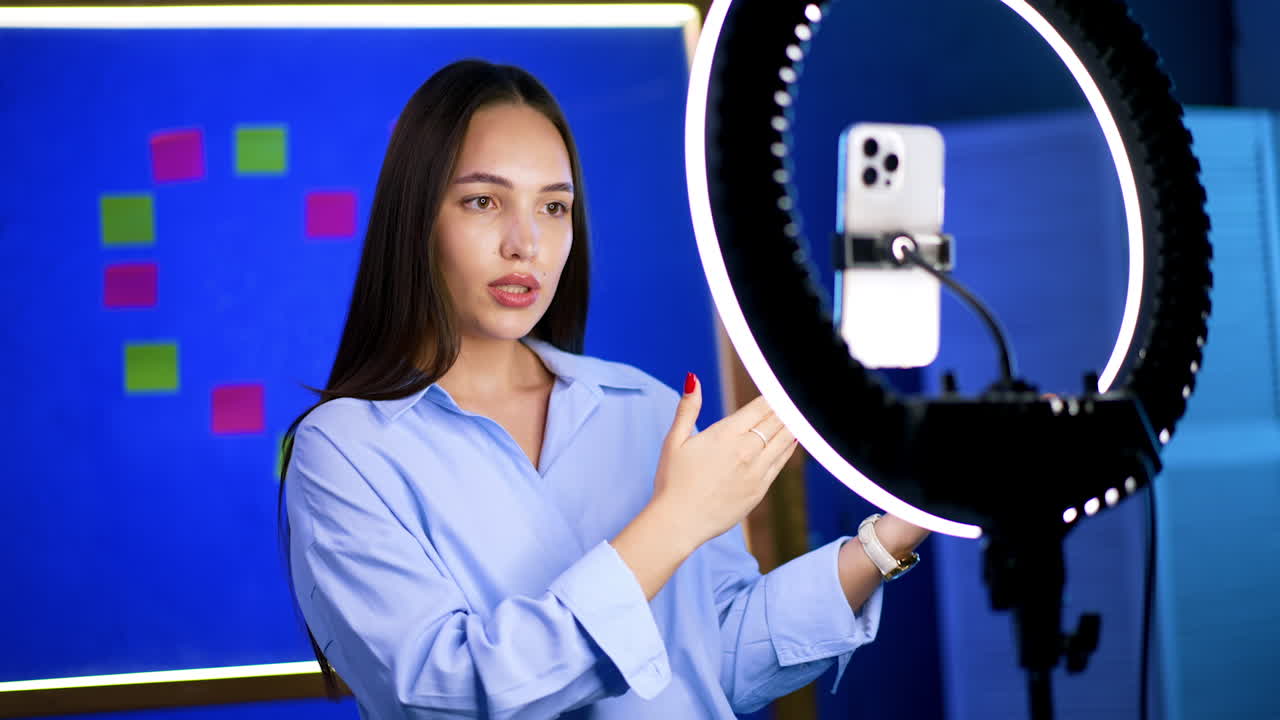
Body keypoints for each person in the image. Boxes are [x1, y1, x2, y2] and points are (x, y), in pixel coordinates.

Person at [279, 59, 930, 719]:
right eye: (483, 200)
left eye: (554, 206)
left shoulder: (645, 409)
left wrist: (894, 534)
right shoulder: (343, 452)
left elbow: (716, 664)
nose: (524, 244)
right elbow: (453, 695)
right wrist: (675, 520)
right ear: (416, 217)